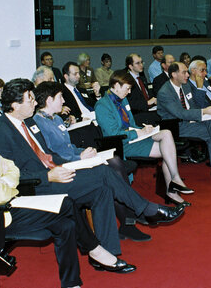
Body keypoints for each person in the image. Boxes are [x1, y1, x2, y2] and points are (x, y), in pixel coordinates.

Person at [0, 102, 132, 288]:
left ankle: (71, 285)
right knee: (66, 205)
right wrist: (7, 182)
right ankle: (95, 250)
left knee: (66, 224)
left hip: (13, 203)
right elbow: (1, 194)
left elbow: (12, 169)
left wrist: (6, 180)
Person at [0, 79, 183, 258]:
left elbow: (47, 154)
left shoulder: (28, 122)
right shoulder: (1, 132)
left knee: (102, 189)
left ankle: (109, 253)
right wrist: (48, 176)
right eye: (29, 99)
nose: (34, 102)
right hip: (38, 185)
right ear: (15, 105)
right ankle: (145, 209)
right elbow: (10, 175)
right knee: (104, 172)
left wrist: (69, 162)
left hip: (56, 172)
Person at [32, 81, 156, 242]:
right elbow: (52, 155)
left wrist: (82, 152)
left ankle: (130, 221)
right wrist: (79, 157)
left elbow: (68, 146)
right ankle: (131, 219)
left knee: (115, 162)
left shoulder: (55, 119)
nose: (63, 101)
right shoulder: (38, 122)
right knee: (113, 168)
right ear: (49, 100)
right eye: (60, 97)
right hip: (66, 167)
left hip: (77, 159)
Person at [95, 70, 193, 206]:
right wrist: (138, 133)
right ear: (116, 85)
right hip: (122, 144)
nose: (129, 92)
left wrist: (144, 129)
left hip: (134, 138)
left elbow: (131, 124)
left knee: (166, 134)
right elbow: (114, 134)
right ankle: (172, 189)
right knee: (168, 151)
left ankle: (174, 181)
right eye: (127, 88)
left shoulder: (122, 100)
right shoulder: (102, 106)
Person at [156, 62, 211, 181]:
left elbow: (193, 105)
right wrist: (203, 112)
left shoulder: (185, 86)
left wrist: (204, 113)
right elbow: (180, 113)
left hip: (191, 120)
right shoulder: (165, 92)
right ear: (174, 74)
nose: (188, 75)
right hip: (176, 125)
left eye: (187, 72)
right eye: (184, 72)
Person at [125, 53, 160, 126]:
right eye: (137, 63)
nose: (141, 65)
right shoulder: (127, 81)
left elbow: (148, 95)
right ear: (130, 66)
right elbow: (130, 103)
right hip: (138, 114)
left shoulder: (142, 78)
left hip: (150, 110)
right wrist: (147, 103)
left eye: (141, 62)